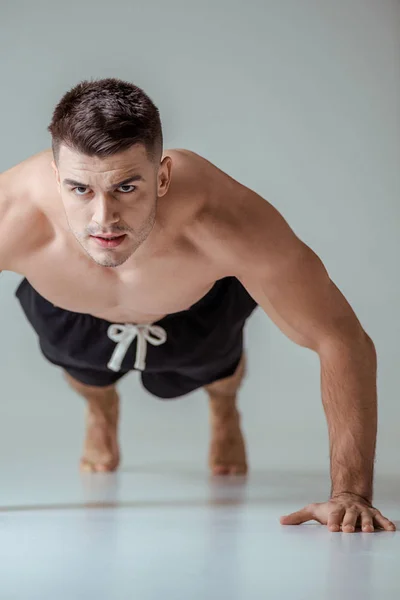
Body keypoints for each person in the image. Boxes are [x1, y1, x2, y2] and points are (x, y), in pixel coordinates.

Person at [0, 78, 394, 534]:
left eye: (127, 188)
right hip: (72, 311)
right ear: (56, 177)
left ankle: (224, 405)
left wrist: (350, 494)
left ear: (162, 176)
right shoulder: (12, 213)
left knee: (217, 371)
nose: (103, 218)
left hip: (193, 313)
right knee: (86, 373)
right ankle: (100, 409)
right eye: (80, 190)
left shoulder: (224, 217)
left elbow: (342, 339)